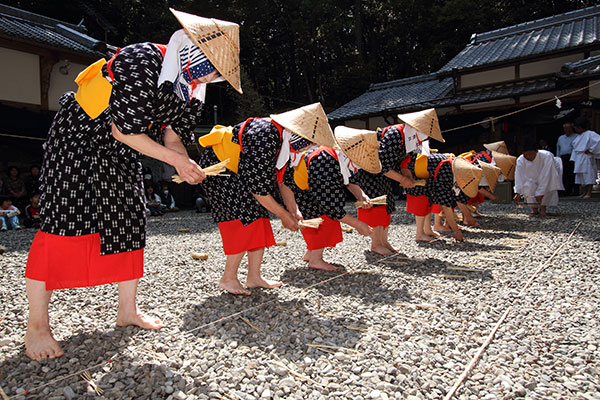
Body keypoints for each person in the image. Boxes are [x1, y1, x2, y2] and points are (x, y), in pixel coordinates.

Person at [24, 8, 241, 360]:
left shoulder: (191, 89)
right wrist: (176, 160)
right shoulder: (144, 60)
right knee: (64, 222)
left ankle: (127, 311)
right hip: (79, 139)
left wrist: (184, 162)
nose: (214, 76)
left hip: (124, 148)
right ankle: (37, 326)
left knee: (129, 220)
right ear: (194, 50)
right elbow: (122, 129)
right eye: (214, 66)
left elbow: (173, 137)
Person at [198, 104, 337, 294]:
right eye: (310, 142)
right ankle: (228, 278)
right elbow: (258, 188)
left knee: (259, 218)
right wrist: (283, 215)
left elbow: (284, 182)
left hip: (241, 173)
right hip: (221, 170)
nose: (310, 147)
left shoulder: (288, 147)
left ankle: (254, 277)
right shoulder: (267, 134)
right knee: (244, 218)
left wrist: (294, 211)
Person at [279, 126, 373, 271]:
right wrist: (358, 224)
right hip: (302, 188)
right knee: (323, 219)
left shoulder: (338, 155)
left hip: (307, 187)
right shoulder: (325, 160)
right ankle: (316, 259)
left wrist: (361, 195)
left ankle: (311, 253)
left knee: (318, 218)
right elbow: (330, 206)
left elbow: (349, 179)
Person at [514, 138, 564, 216]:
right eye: (525, 154)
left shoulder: (546, 156)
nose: (528, 156)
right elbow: (519, 176)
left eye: (530, 154)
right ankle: (534, 209)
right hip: (530, 179)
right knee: (528, 186)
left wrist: (540, 192)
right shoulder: (521, 160)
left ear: (536, 151)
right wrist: (518, 192)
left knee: (547, 186)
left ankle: (543, 208)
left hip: (546, 176)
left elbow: (547, 175)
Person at [571, 117, 600, 199]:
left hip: (586, 156)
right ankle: (584, 192)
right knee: (581, 175)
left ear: (580, 127)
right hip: (580, 156)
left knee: (588, 174)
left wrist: (591, 150)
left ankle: (589, 192)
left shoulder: (591, 134)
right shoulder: (579, 136)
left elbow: (598, 141)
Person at [556, 122, 578, 196]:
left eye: (569, 128)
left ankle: (574, 191)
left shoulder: (576, 136)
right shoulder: (561, 138)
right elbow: (558, 148)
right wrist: (557, 158)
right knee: (564, 174)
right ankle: (565, 191)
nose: (567, 130)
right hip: (563, 157)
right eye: (566, 128)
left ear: (572, 128)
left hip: (573, 157)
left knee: (573, 174)